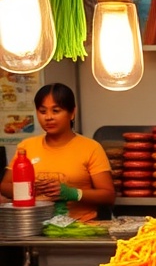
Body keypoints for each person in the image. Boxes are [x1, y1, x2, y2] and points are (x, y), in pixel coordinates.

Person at [1, 83, 115, 221]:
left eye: (56, 111)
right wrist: (30, 189)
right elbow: (5, 186)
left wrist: (73, 193)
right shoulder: (26, 147)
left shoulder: (91, 148)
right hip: (35, 227)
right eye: (43, 111)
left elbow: (108, 196)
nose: (48, 117)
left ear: (72, 113)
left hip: (81, 228)